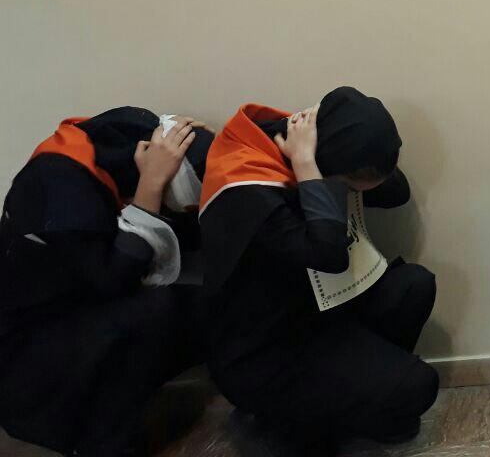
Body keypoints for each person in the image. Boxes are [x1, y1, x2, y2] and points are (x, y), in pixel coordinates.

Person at [200, 88, 439, 453]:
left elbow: (396, 192)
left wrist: (325, 161)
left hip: (313, 313)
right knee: (416, 385)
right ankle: (291, 422)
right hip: (263, 352)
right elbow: (329, 254)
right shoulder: (246, 187)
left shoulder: (324, 143)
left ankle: (347, 403)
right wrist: (308, 169)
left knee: (413, 286)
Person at [0, 108, 214, 457]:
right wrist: (150, 187)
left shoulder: (100, 153)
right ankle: (104, 441)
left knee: (201, 304)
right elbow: (113, 280)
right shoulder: (58, 181)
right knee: (156, 310)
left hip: (72, 317)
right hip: (29, 361)